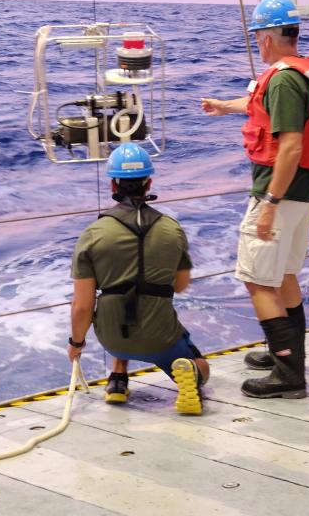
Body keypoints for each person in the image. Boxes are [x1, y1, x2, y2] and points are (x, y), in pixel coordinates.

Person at [201, 0, 309, 398]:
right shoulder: (298, 74)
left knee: (257, 281)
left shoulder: (283, 80)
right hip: (306, 193)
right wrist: (226, 106)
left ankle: (289, 374)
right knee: (285, 274)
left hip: (281, 195)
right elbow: (267, 108)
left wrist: (270, 204)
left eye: (258, 35)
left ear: (267, 38)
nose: (258, 43)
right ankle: (287, 355)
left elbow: (290, 146)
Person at [67, 143, 207, 415]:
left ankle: (118, 379)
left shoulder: (93, 233)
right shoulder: (171, 229)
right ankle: (191, 373)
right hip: (160, 336)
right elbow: (180, 285)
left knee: (117, 301)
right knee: (201, 365)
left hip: (112, 337)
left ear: (113, 185)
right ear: (149, 183)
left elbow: (82, 306)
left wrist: (76, 344)